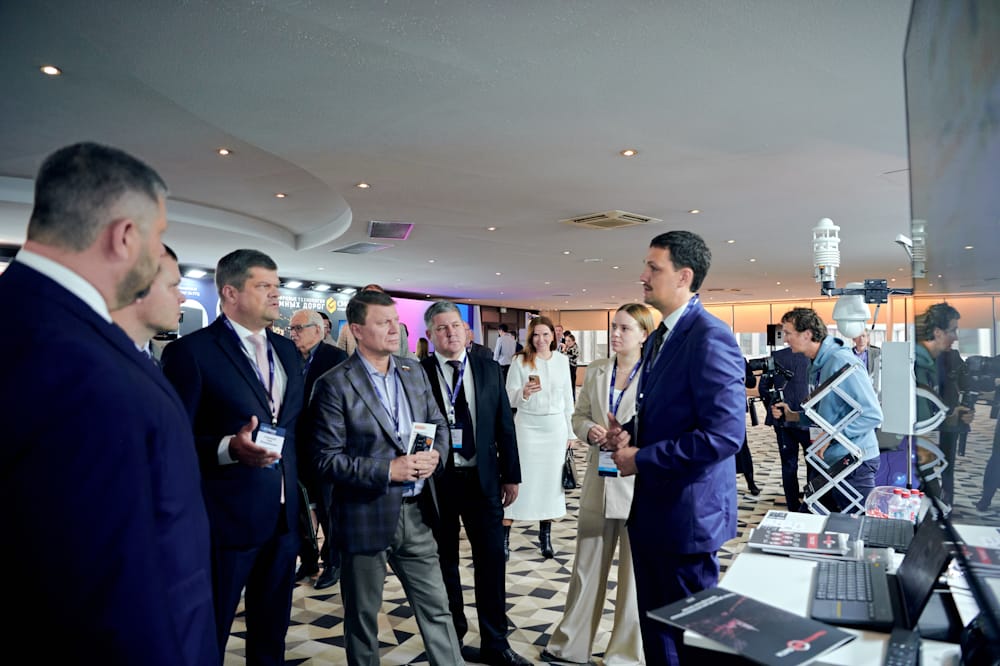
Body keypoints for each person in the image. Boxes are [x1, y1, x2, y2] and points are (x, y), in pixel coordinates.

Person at [1, 142, 217, 664]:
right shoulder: (75, 362)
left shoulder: (29, 318)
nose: (159, 253)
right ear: (124, 236)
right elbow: (107, 586)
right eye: (158, 236)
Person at [606, 230, 746, 666]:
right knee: (658, 635)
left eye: (653, 268)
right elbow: (670, 413)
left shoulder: (709, 336)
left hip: (688, 516)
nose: (643, 276)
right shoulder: (660, 336)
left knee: (691, 642)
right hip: (655, 511)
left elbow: (724, 435)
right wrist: (629, 433)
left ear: (684, 276)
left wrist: (642, 457)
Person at [162, 249, 305, 665]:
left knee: (271, 635)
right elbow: (174, 443)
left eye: (277, 286)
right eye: (264, 286)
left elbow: (292, 427)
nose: (276, 295)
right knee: (209, 634)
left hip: (283, 520)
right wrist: (228, 448)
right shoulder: (192, 352)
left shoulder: (287, 350)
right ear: (230, 292)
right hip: (223, 522)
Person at [309, 290, 463, 665]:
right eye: (384, 323)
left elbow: (439, 425)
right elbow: (325, 460)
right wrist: (387, 470)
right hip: (364, 515)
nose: (396, 329)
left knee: (437, 609)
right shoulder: (335, 383)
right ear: (357, 330)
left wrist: (436, 455)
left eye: (396, 321)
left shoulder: (413, 372)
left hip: (416, 514)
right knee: (363, 620)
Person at [420, 301, 530, 666]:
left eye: (455, 325)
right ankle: (451, 640)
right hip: (439, 483)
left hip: (483, 481)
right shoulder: (418, 374)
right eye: (441, 328)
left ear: (466, 331)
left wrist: (511, 475)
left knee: (491, 561)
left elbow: (504, 425)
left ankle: (496, 643)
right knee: (444, 562)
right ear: (430, 335)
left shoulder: (487, 368)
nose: (450, 333)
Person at [541, 303, 652, 666]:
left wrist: (631, 440)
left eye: (625, 328)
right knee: (586, 566)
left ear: (644, 335)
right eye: (614, 327)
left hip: (637, 483)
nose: (615, 334)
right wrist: (589, 430)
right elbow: (579, 415)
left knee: (634, 576)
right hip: (598, 480)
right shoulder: (597, 370)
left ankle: (625, 654)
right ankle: (571, 645)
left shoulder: (655, 375)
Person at [771, 308, 883, 511]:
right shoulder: (816, 364)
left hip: (854, 460)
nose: (785, 339)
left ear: (807, 334)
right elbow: (825, 414)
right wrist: (793, 415)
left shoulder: (840, 361)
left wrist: (831, 436)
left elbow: (872, 415)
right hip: (831, 459)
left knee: (855, 524)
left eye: (788, 333)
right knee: (813, 515)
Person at [503, 316, 575, 559]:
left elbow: (568, 399)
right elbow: (507, 395)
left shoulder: (562, 361)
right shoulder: (520, 361)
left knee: (550, 484)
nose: (541, 339)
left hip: (555, 429)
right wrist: (523, 393)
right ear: (530, 337)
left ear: (553, 336)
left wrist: (571, 432)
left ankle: (545, 537)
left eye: (545, 334)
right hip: (527, 427)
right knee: (518, 481)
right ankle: (504, 537)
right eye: (536, 334)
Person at [289, 309, 348, 590]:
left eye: (298, 328)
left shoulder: (335, 358)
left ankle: (334, 561)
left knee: (328, 507)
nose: (293, 334)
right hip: (294, 445)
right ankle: (308, 560)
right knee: (300, 508)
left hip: (325, 446)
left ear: (317, 330)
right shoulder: (288, 357)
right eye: (291, 329)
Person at [914, 303, 973, 505]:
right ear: (938, 332)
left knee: (945, 464)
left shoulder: (945, 357)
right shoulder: (918, 363)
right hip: (924, 434)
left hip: (943, 420)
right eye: (952, 331)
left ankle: (945, 500)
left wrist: (953, 413)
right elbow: (920, 416)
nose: (955, 337)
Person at [757, 346, 812, 512]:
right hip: (808, 418)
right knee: (813, 464)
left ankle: (792, 506)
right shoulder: (812, 356)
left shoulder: (777, 355)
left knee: (788, 464)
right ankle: (811, 502)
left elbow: (763, 388)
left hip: (782, 419)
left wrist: (773, 407)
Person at [111, 243, 185, 359]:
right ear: (139, 287)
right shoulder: (97, 361)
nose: (182, 298)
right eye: (172, 286)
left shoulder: (149, 359)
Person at [852, 329, 881, 396]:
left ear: (868, 338)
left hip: (872, 390)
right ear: (853, 339)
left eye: (863, 336)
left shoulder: (877, 353)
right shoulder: (849, 354)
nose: (861, 339)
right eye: (858, 336)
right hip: (855, 389)